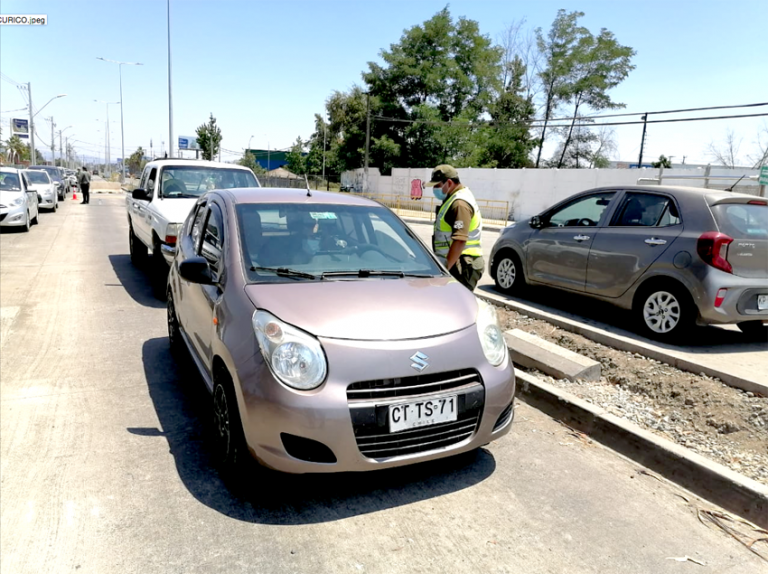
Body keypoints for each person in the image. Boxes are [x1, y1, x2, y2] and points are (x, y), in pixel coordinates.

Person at [426, 164, 484, 291]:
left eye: (437, 185)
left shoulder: (459, 204)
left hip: (462, 265)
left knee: (455, 305)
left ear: (449, 183)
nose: (435, 189)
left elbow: (460, 240)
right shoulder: (453, 199)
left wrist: (444, 271)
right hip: (456, 262)